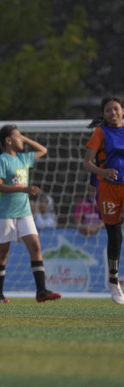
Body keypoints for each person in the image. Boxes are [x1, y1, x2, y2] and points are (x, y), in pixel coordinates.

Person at [0, 124, 61, 304]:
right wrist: (24, 188)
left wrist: (24, 138)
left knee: (35, 246)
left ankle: (41, 291)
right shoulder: (1, 160)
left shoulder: (24, 158)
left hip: (24, 211)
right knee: (3, 251)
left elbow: (42, 150)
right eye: (18, 136)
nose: (22, 140)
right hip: (5, 212)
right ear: (8, 141)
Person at [84, 95, 124, 304]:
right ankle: (114, 281)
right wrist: (103, 171)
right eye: (108, 110)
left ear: (123, 111)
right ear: (104, 114)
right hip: (108, 189)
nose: (113, 113)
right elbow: (86, 163)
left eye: (116, 109)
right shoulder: (100, 133)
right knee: (115, 235)